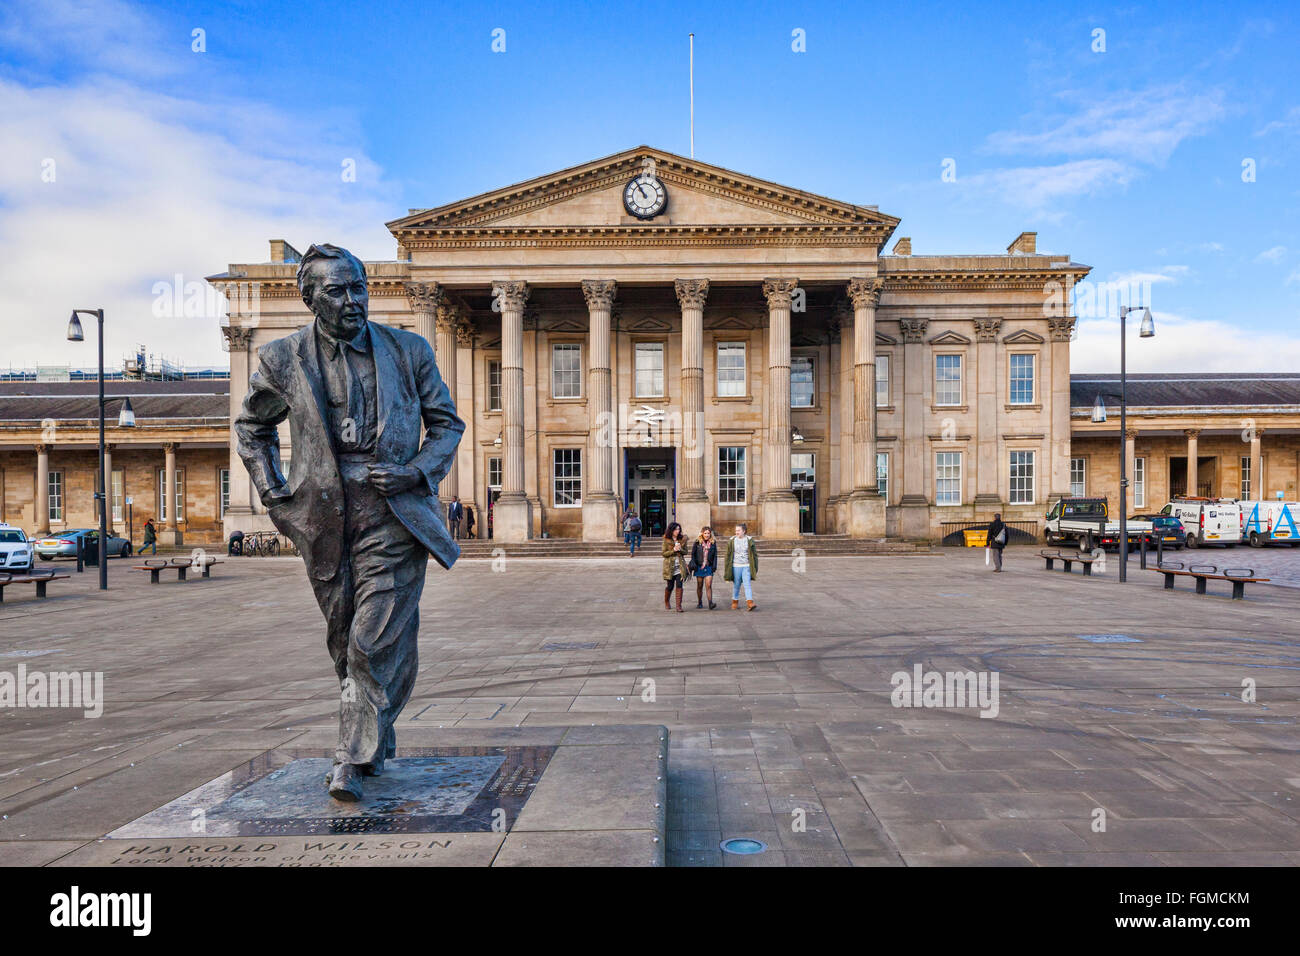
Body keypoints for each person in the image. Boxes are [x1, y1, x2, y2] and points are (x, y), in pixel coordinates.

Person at [235, 242, 464, 802]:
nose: (353, 299)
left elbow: (447, 424)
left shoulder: (408, 350)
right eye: (337, 290)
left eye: (358, 286)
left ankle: (349, 760)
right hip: (323, 517)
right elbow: (251, 427)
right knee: (345, 641)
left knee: (370, 639)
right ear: (312, 298)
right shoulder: (282, 359)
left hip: (395, 514)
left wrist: (415, 473)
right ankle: (375, 735)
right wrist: (271, 490)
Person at [723, 523, 758, 611]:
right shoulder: (732, 540)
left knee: (747, 584)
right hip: (736, 565)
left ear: (744, 531)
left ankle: (750, 602)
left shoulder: (749, 540)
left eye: (738, 530)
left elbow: (754, 555)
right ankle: (735, 601)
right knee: (737, 584)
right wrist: (727, 568)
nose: (736, 532)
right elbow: (728, 555)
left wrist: (755, 567)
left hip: (746, 565)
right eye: (736, 530)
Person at [661, 521, 688, 612]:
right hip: (669, 566)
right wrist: (673, 550)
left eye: (679, 529)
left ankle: (678, 606)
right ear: (671, 530)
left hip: (680, 566)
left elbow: (686, 552)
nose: (678, 531)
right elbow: (664, 553)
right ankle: (667, 601)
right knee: (670, 586)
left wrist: (680, 549)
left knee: (679, 584)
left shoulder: (682, 539)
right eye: (676, 529)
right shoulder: (666, 539)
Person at [691, 526, 718, 609]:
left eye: (708, 533)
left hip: (709, 566)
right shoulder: (697, 542)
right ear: (702, 533)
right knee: (700, 585)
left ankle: (710, 603)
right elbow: (693, 554)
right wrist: (694, 564)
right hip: (699, 566)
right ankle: (699, 602)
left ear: (710, 534)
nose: (707, 535)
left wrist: (714, 566)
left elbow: (715, 556)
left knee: (708, 585)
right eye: (705, 533)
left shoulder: (713, 543)